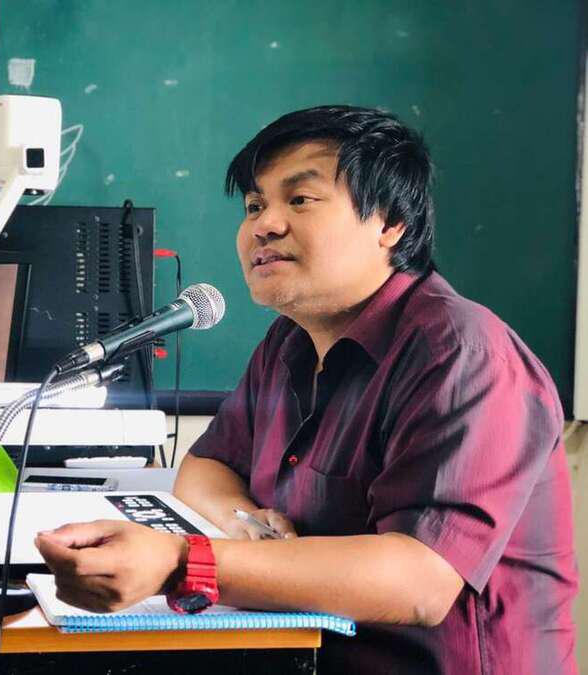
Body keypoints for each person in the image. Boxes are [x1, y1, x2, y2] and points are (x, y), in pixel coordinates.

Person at [35, 106, 578, 674]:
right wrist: (246, 524)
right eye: (254, 206)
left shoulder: (461, 354)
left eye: (300, 200)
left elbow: (420, 580)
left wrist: (182, 560)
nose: (264, 225)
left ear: (390, 223)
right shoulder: (288, 342)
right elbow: (206, 467)